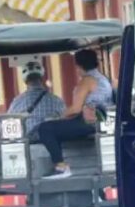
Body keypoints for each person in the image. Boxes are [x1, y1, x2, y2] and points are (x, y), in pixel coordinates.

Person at [38, 49, 113, 179]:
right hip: (104, 122)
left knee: (45, 128)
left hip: (89, 122)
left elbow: (75, 109)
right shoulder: (103, 79)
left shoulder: (87, 81)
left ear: (78, 66)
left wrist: (57, 116)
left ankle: (61, 167)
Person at [7, 61, 65, 140]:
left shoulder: (17, 102)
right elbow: (65, 119)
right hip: (52, 142)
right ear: (42, 78)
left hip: (29, 146)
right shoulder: (57, 100)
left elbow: (8, 122)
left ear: (25, 81)